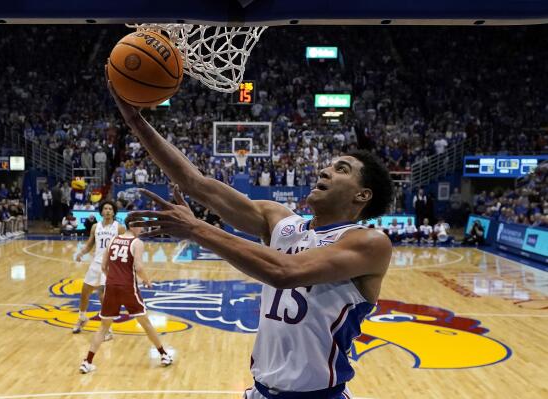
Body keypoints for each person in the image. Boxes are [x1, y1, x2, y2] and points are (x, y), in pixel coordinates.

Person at [107, 69, 393, 399]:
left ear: (362, 195)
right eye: (330, 164)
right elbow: (196, 184)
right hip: (259, 391)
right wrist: (136, 122)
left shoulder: (369, 243)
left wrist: (196, 228)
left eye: (342, 169)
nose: (326, 169)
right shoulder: (281, 222)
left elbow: (285, 272)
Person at [79, 214, 173, 374]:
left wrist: (113, 278)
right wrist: (147, 281)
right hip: (128, 287)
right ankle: (164, 355)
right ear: (133, 226)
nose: (142, 229)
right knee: (145, 323)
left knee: (103, 327)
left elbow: (103, 266)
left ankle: (87, 362)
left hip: (111, 286)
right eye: (141, 225)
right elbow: (139, 267)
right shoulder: (137, 243)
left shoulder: (113, 240)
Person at [73, 200, 125, 336]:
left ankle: (108, 329)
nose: (108, 211)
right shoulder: (95, 227)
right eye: (105, 208)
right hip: (96, 262)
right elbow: (90, 244)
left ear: (114, 212)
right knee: (85, 291)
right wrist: (81, 253)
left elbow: (124, 247)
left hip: (110, 265)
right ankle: (82, 317)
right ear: (101, 211)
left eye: (110, 209)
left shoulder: (119, 227)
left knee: (103, 295)